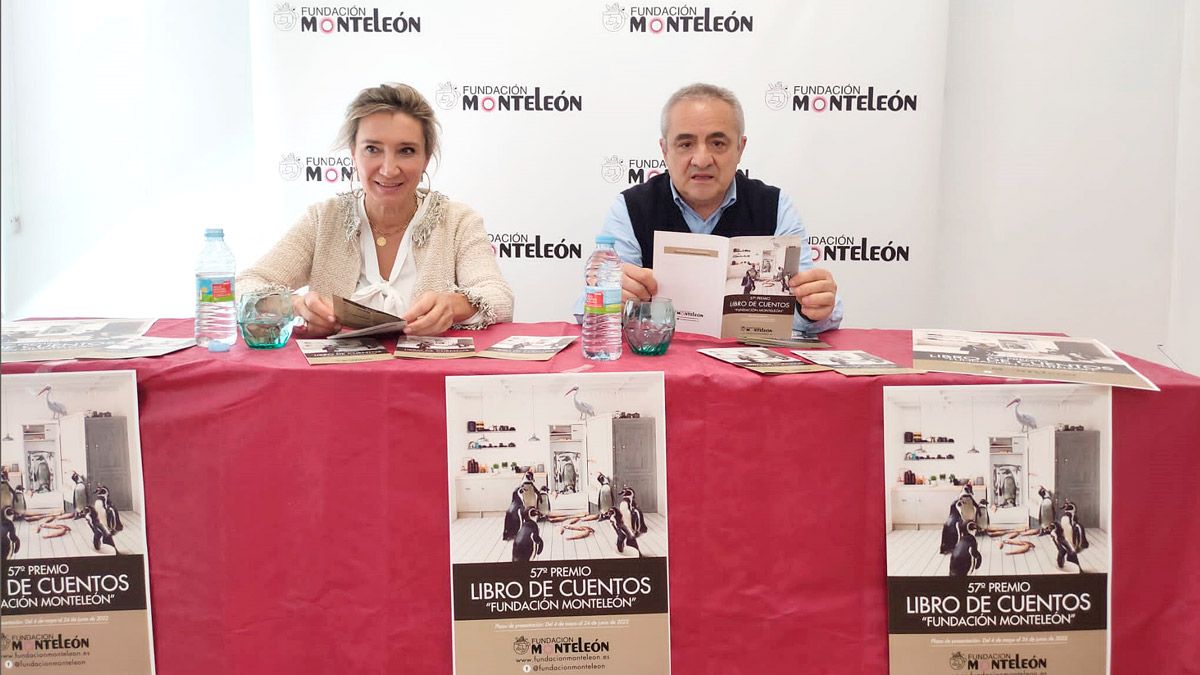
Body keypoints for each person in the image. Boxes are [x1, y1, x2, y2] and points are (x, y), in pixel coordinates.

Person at [239, 83, 514, 337]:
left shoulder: (457, 221)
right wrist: (295, 305)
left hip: (428, 383)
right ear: (353, 154)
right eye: (372, 149)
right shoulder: (322, 219)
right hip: (335, 384)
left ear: (426, 158)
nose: (388, 169)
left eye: (406, 151)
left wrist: (454, 305)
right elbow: (244, 286)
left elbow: (499, 297)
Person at [591, 83, 843, 333]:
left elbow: (809, 314)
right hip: (661, 363)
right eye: (686, 144)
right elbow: (588, 308)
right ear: (665, 150)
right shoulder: (630, 208)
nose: (702, 160)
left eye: (718, 144)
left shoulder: (776, 206)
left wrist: (812, 307)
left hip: (745, 368)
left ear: (740, 148)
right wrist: (610, 297)